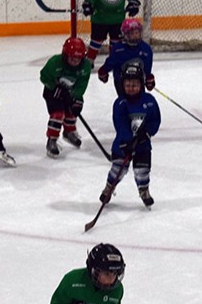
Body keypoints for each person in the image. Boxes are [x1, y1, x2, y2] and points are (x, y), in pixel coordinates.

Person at [99, 60, 162, 207]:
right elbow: (120, 124)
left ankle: (144, 190)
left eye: (134, 85)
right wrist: (127, 141)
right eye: (127, 85)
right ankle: (109, 188)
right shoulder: (120, 103)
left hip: (143, 145)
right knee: (118, 169)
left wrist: (146, 133)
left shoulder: (150, 101)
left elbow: (155, 120)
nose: (131, 88)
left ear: (141, 84)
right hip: (123, 145)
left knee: (142, 170)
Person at [39, 37, 92, 158]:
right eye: (72, 58)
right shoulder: (55, 62)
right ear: (65, 55)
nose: (75, 61)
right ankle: (52, 140)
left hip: (71, 92)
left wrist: (75, 97)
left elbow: (81, 85)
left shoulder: (86, 66)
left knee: (72, 111)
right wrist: (54, 86)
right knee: (58, 115)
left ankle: (69, 132)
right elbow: (43, 77)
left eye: (78, 58)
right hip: (53, 93)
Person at [97, 18, 155, 98]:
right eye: (131, 33)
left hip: (138, 80)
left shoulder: (146, 49)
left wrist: (148, 78)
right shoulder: (118, 49)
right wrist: (104, 70)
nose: (134, 36)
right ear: (124, 34)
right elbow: (111, 62)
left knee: (140, 100)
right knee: (124, 101)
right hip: (121, 81)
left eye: (136, 33)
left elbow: (147, 66)